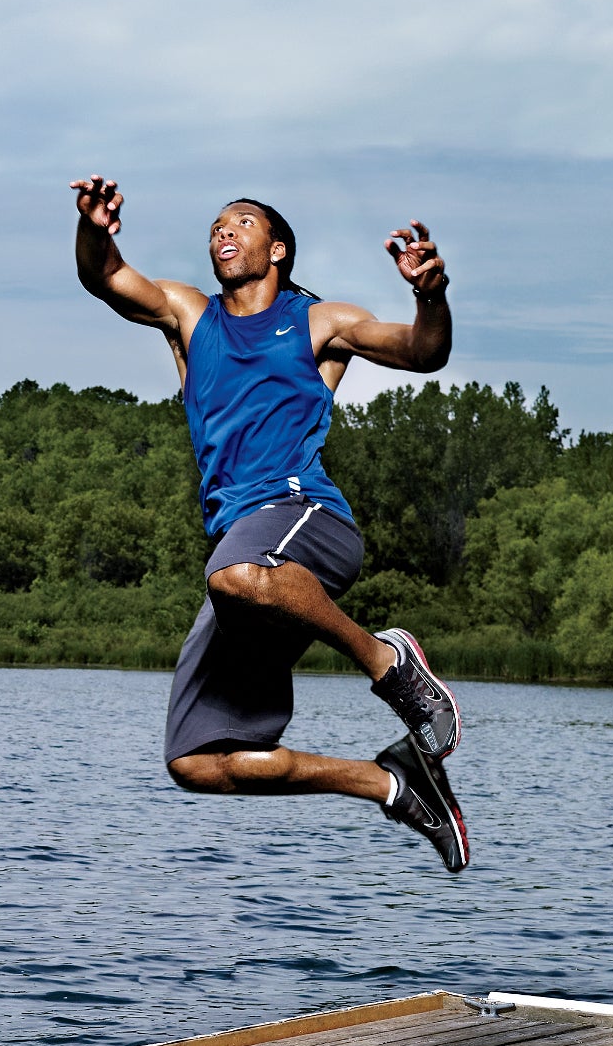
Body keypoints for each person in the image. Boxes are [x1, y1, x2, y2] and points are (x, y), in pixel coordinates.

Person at [70, 177, 469, 872]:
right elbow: (103, 276)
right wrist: (95, 229)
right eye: (217, 226)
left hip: (305, 517)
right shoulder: (191, 317)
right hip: (243, 557)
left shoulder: (317, 323)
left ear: (276, 248)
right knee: (196, 761)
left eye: (242, 222)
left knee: (233, 574)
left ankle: (389, 664)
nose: (224, 232)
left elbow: (423, 352)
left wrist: (429, 295)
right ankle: (395, 783)